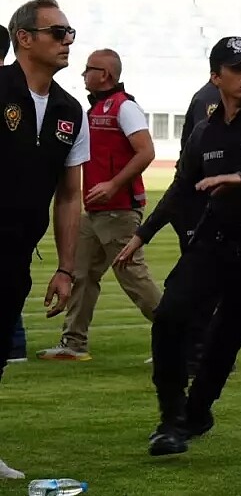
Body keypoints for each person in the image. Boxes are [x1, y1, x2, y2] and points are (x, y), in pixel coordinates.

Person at [112, 36, 241, 457]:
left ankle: (196, 413)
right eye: (237, 68)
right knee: (169, 317)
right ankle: (170, 419)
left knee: (224, 340)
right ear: (215, 76)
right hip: (213, 245)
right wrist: (142, 234)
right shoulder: (204, 133)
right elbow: (181, 189)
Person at [0, 0, 88, 478]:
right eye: (58, 32)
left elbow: (69, 197)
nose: (67, 40)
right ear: (24, 38)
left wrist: (65, 268)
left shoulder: (70, 111)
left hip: (16, 253)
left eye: (70, 33)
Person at [36, 48, 160, 361]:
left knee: (135, 281)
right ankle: (74, 342)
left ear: (104, 74)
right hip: (96, 212)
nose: (83, 74)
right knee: (79, 274)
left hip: (118, 210)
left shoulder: (124, 107)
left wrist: (114, 184)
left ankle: (188, 338)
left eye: (88, 69)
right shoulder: (93, 110)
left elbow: (146, 152)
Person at [173, 79, 224, 376]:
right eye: (237, 69)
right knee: (203, 279)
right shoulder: (210, 99)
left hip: (204, 201)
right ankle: (201, 354)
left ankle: (202, 354)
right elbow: (208, 151)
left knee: (207, 280)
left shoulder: (211, 97)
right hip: (201, 200)